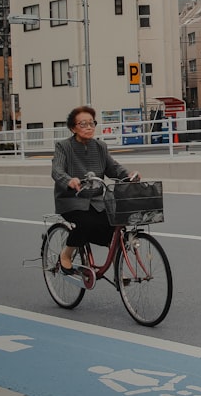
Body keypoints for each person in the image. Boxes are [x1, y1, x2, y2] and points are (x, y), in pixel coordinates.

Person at [51, 105, 138, 276]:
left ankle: (117, 269)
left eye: (92, 123)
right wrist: (69, 180)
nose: (89, 127)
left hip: (97, 201)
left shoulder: (100, 147)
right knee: (87, 222)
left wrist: (129, 174)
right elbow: (57, 170)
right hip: (71, 200)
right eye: (83, 124)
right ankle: (66, 254)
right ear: (73, 128)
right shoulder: (63, 147)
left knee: (115, 226)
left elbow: (113, 169)